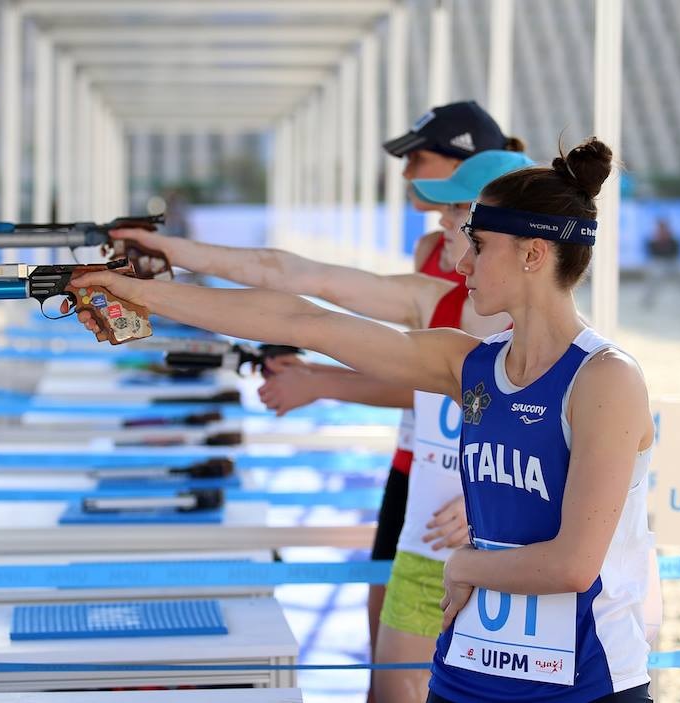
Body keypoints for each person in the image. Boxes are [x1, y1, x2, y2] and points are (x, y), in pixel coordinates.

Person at [71, 136, 655, 703]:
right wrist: (140, 295)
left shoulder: (605, 378)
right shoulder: (468, 361)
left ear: (533, 253)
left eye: (478, 244)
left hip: (583, 682)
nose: (460, 259)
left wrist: (465, 563)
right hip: (469, 670)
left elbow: (574, 565)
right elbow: (301, 319)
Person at [107, 101, 522, 702]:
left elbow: (569, 444)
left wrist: (492, 488)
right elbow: (296, 293)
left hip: (487, 531)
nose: (445, 227)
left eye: (461, 213)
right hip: (434, 511)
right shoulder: (437, 295)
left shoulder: (583, 358)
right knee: (395, 679)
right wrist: (153, 274)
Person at [258, 150, 533, 703]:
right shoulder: (440, 266)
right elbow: (310, 301)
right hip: (426, 483)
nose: (410, 175)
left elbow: (546, 427)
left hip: (470, 510)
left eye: (456, 204)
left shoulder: (553, 334)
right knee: (392, 657)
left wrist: (321, 381)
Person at [639, 218, 680, 308]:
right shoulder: (652, 241)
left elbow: (677, 254)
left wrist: (667, 243)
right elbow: (652, 255)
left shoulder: (674, 241)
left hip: (673, 263)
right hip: (659, 263)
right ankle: (648, 301)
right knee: (653, 275)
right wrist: (659, 242)